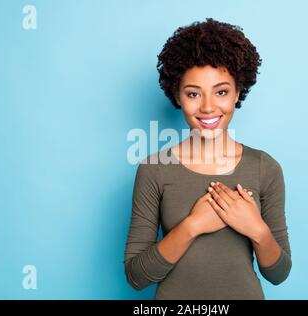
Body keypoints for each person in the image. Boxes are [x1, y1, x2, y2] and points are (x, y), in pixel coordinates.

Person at [124, 18, 292, 299]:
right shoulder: (154, 170)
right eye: (193, 94)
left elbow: (278, 274)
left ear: (238, 91)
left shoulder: (265, 168)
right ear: (177, 96)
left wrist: (256, 229)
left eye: (221, 92)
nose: (208, 107)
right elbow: (136, 277)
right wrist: (193, 225)